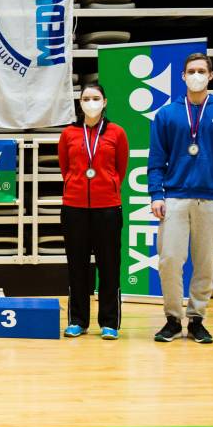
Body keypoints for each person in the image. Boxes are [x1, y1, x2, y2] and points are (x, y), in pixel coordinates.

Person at [149, 53, 213, 344]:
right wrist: (156, 193)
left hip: (212, 198)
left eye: (201, 71)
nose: (196, 75)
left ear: (211, 75)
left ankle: (197, 319)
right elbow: (156, 159)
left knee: (204, 262)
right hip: (175, 197)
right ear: (183, 76)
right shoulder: (166, 114)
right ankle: (172, 318)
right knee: (169, 260)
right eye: (191, 71)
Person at [57, 84, 129, 340]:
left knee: (109, 267)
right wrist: (75, 184)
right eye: (86, 98)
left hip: (107, 208)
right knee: (77, 267)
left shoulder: (117, 133)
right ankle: (78, 320)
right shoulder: (68, 134)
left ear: (105, 101)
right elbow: (65, 167)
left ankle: (109, 322)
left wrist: (107, 186)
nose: (91, 102)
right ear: (80, 103)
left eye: (95, 98)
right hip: (74, 208)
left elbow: (121, 168)